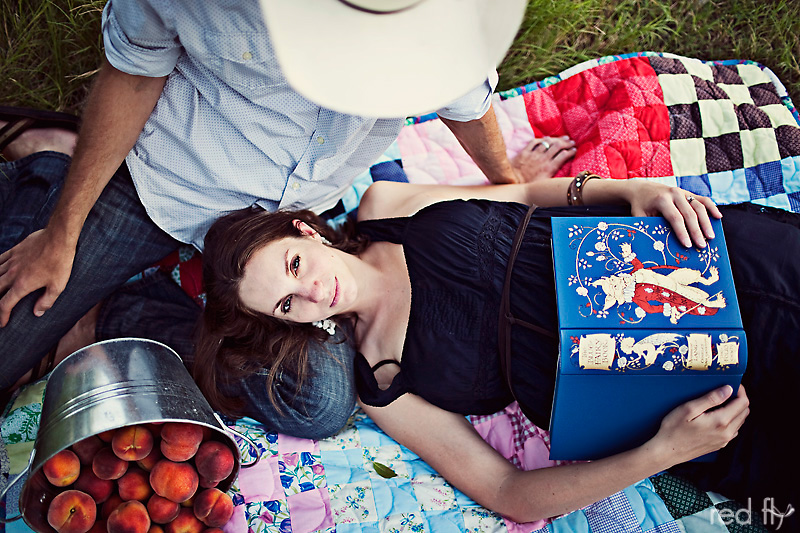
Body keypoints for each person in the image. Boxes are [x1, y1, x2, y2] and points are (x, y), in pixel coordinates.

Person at [0, 0, 573, 437]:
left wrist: (509, 185)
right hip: (163, 184)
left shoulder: (433, 17)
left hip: (280, 236)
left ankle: (109, 314)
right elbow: (132, 73)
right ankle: (53, 163)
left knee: (320, 402)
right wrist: (61, 234)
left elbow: (466, 102)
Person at [195, 174, 799, 524]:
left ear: (304, 231)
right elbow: (508, 493)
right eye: (286, 304)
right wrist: (663, 453)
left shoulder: (384, 206)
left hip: (680, 271)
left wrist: (628, 188)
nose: (310, 292)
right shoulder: (380, 379)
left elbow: (528, 191)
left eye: (294, 265)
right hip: (662, 394)